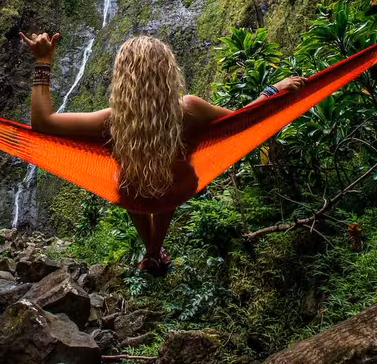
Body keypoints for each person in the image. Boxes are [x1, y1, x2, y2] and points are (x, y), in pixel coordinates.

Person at [19, 30, 306, 277]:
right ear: (168, 73)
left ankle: (151, 252)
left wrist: (42, 61)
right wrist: (273, 90)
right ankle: (155, 252)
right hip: (177, 190)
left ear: (122, 79)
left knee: (130, 179)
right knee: (166, 174)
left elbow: (43, 123)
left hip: (133, 195)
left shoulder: (110, 121)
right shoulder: (190, 109)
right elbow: (243, 121)